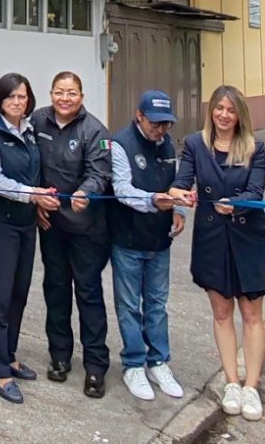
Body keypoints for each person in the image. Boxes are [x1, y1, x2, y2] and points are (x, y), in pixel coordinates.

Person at [169, 85, 265, 422]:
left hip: (249, 237)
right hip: (211, 237)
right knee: (222, 312)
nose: (224, 115)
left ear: (241, 114)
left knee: (252, 314)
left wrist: (234, 204)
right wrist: (179, 195)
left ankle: (252, 386)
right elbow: (181, 181)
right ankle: (232, 382)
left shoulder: (257, 147)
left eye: (231, 110)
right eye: (219, 109)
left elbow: (255, 189)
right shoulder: (196, 144)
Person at [0, 73, 59, 404]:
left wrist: (37, 204)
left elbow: (35, 172)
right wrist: (33, 195)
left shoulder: (29, 130)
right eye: (11, 97)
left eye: (23, 97)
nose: (17, 102)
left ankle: (9, 353)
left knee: (19, 292)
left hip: (26, 223)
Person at [30, 71, 111, 398]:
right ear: (51, 94)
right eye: (60, 92)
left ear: (81, 96)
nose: (65, 98)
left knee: (88, 294)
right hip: (51, 224)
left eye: (72, 93)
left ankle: (95, 365)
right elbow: (30, 163)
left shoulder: (94, 130)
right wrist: (35, 201)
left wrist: (85, 192)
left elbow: (100, 171)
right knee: (56, 290)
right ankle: (59, 357)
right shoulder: (37, 121)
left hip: (86, 228)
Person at [110, 90, 186, 401]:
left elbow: (177, 183)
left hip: (160, 240)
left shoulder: (167, 144)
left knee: (157, 305)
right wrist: (153, 200)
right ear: (139, 115)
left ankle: (158, 361)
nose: (161, 129)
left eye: (166, 123)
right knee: (129, 306)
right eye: (155, 123)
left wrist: (178, 209)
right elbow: (121, 189)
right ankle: (133, 364)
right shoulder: (120, 144)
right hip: (128, 239)